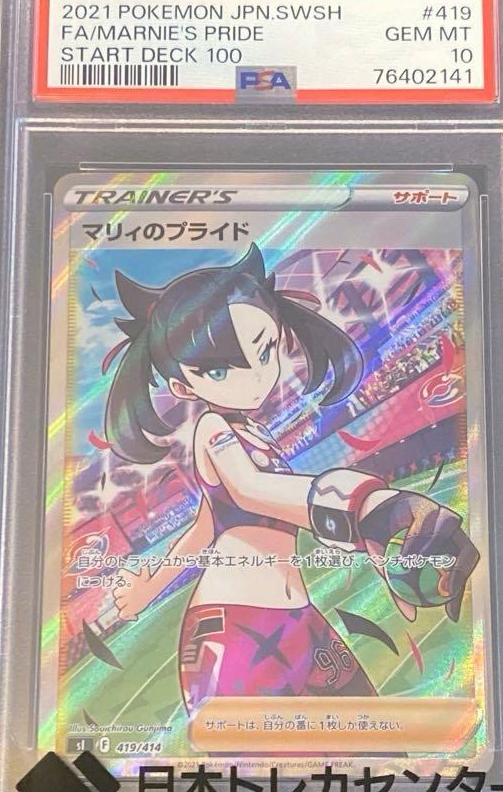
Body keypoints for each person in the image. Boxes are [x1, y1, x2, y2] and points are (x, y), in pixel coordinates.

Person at [102, 245, 478, 714]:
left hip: (299, 621)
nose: (255, 376)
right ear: (182, 386)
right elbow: (251, 491)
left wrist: (149, 586)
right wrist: (369, 507)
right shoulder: (213, 429)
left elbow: (205, 527)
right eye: (218, 370)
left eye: (265, 350)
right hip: (236, 631)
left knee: (372, 744)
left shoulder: (253, 433)